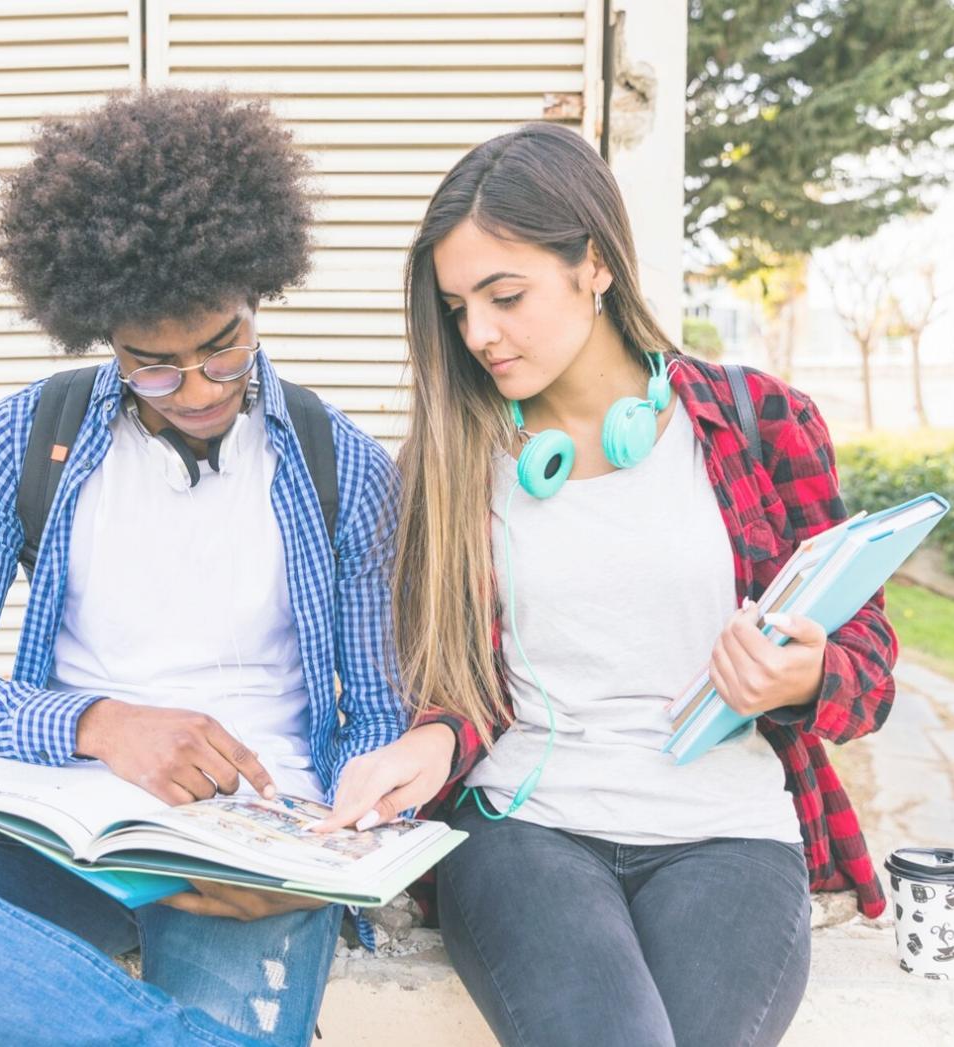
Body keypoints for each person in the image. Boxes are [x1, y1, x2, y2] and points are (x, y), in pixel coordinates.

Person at [0, 88, 403, 1047]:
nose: (194, 390)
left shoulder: (341, 466)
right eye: (153, 364)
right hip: (66, 837)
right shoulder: (22, 440)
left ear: (258, 295)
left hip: (252, 860)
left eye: (222, 348)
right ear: (99, 330)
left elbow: (379, 713)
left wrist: (324, 857)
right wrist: (99, 724)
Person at [312, 123, 898, 1046]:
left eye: (506, 295)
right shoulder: (453, 462)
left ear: (594, 263)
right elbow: (463, 692)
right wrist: (427, 742)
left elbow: (868, 666)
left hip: (731, 830)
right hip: (525, 832)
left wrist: (806, 678)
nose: (480, 334)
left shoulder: (763, 421)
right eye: (459, 306)